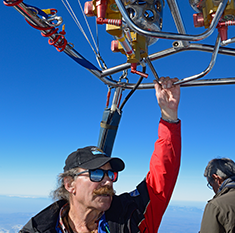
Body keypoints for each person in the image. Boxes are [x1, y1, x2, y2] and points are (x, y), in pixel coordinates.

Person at [20, 76, 181, 233]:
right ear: (69, 184)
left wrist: (169, 115)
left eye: (110, 174)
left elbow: (163, 175)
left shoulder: (133, 215)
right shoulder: (39, 229)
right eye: (96, 174)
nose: (108, 182)